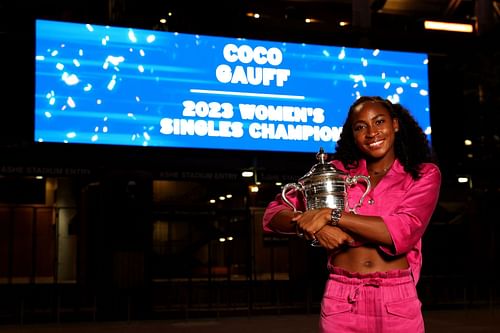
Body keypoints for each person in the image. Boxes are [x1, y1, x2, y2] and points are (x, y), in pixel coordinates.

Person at [262, 96, 441, 332]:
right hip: (342, 296)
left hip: (396, 297)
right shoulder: (335, 172)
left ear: (395, 124)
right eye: (360, 127)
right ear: (352, 134)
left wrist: (331, 216)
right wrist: (313, 226)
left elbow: (402, 232)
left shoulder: (422, 174)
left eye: (379, 122)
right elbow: (273, 214)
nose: (371, 132)